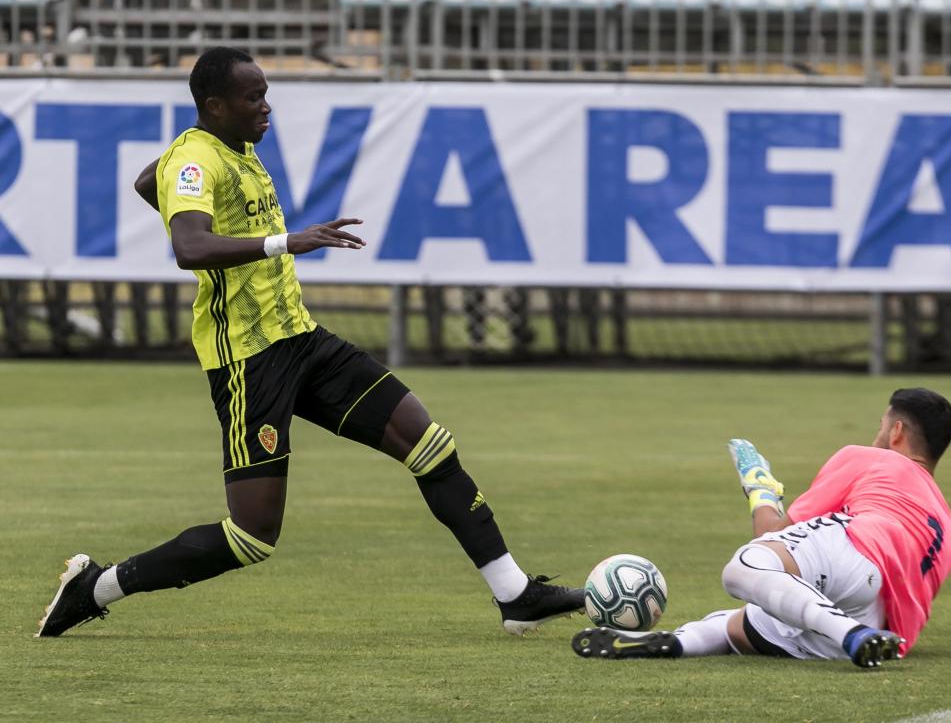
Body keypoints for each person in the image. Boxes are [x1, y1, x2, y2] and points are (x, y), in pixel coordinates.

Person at [36, 46, 583, 638]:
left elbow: (151, 179)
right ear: (215, 106)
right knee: (251, 538)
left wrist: (178, 178)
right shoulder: (197, 158)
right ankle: (96, 585)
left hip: (302, 339)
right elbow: (189, 248)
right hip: (250, 359)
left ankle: (516, 595)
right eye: (253, 98)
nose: (267, 107)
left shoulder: (226, 150)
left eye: (266, 94)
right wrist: (284, 241)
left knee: (429, 445)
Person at [572, 388, 951, 669]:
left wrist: (758, 486)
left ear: (896, 433)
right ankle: (673, 642)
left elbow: (771, 533)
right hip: (881, 620)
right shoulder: (948, 526)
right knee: (738, 625)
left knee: (745, 566)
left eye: (880, 427)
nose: (876, 436)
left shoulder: (873, 460)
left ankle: (849, 633)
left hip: (859, 560)